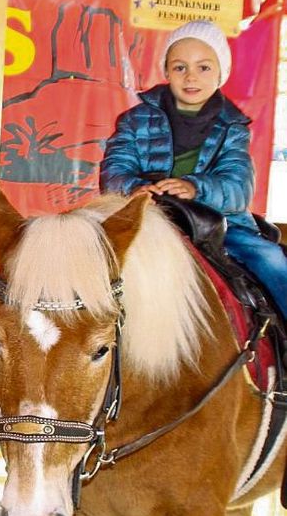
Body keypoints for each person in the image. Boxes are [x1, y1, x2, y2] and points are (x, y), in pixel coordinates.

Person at [101, 18, 287, 319]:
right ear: (166, 71)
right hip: (149, 217)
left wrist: (196, 188)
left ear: (220, 73)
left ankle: (281, 341)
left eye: (203, 67)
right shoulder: (134, 120)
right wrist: (133, 189)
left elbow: (239, 187)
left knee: (270, 259)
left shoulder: (233, 127)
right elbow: (115, 168)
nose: (191, 77)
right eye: (179, 67)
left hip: (217, 224)